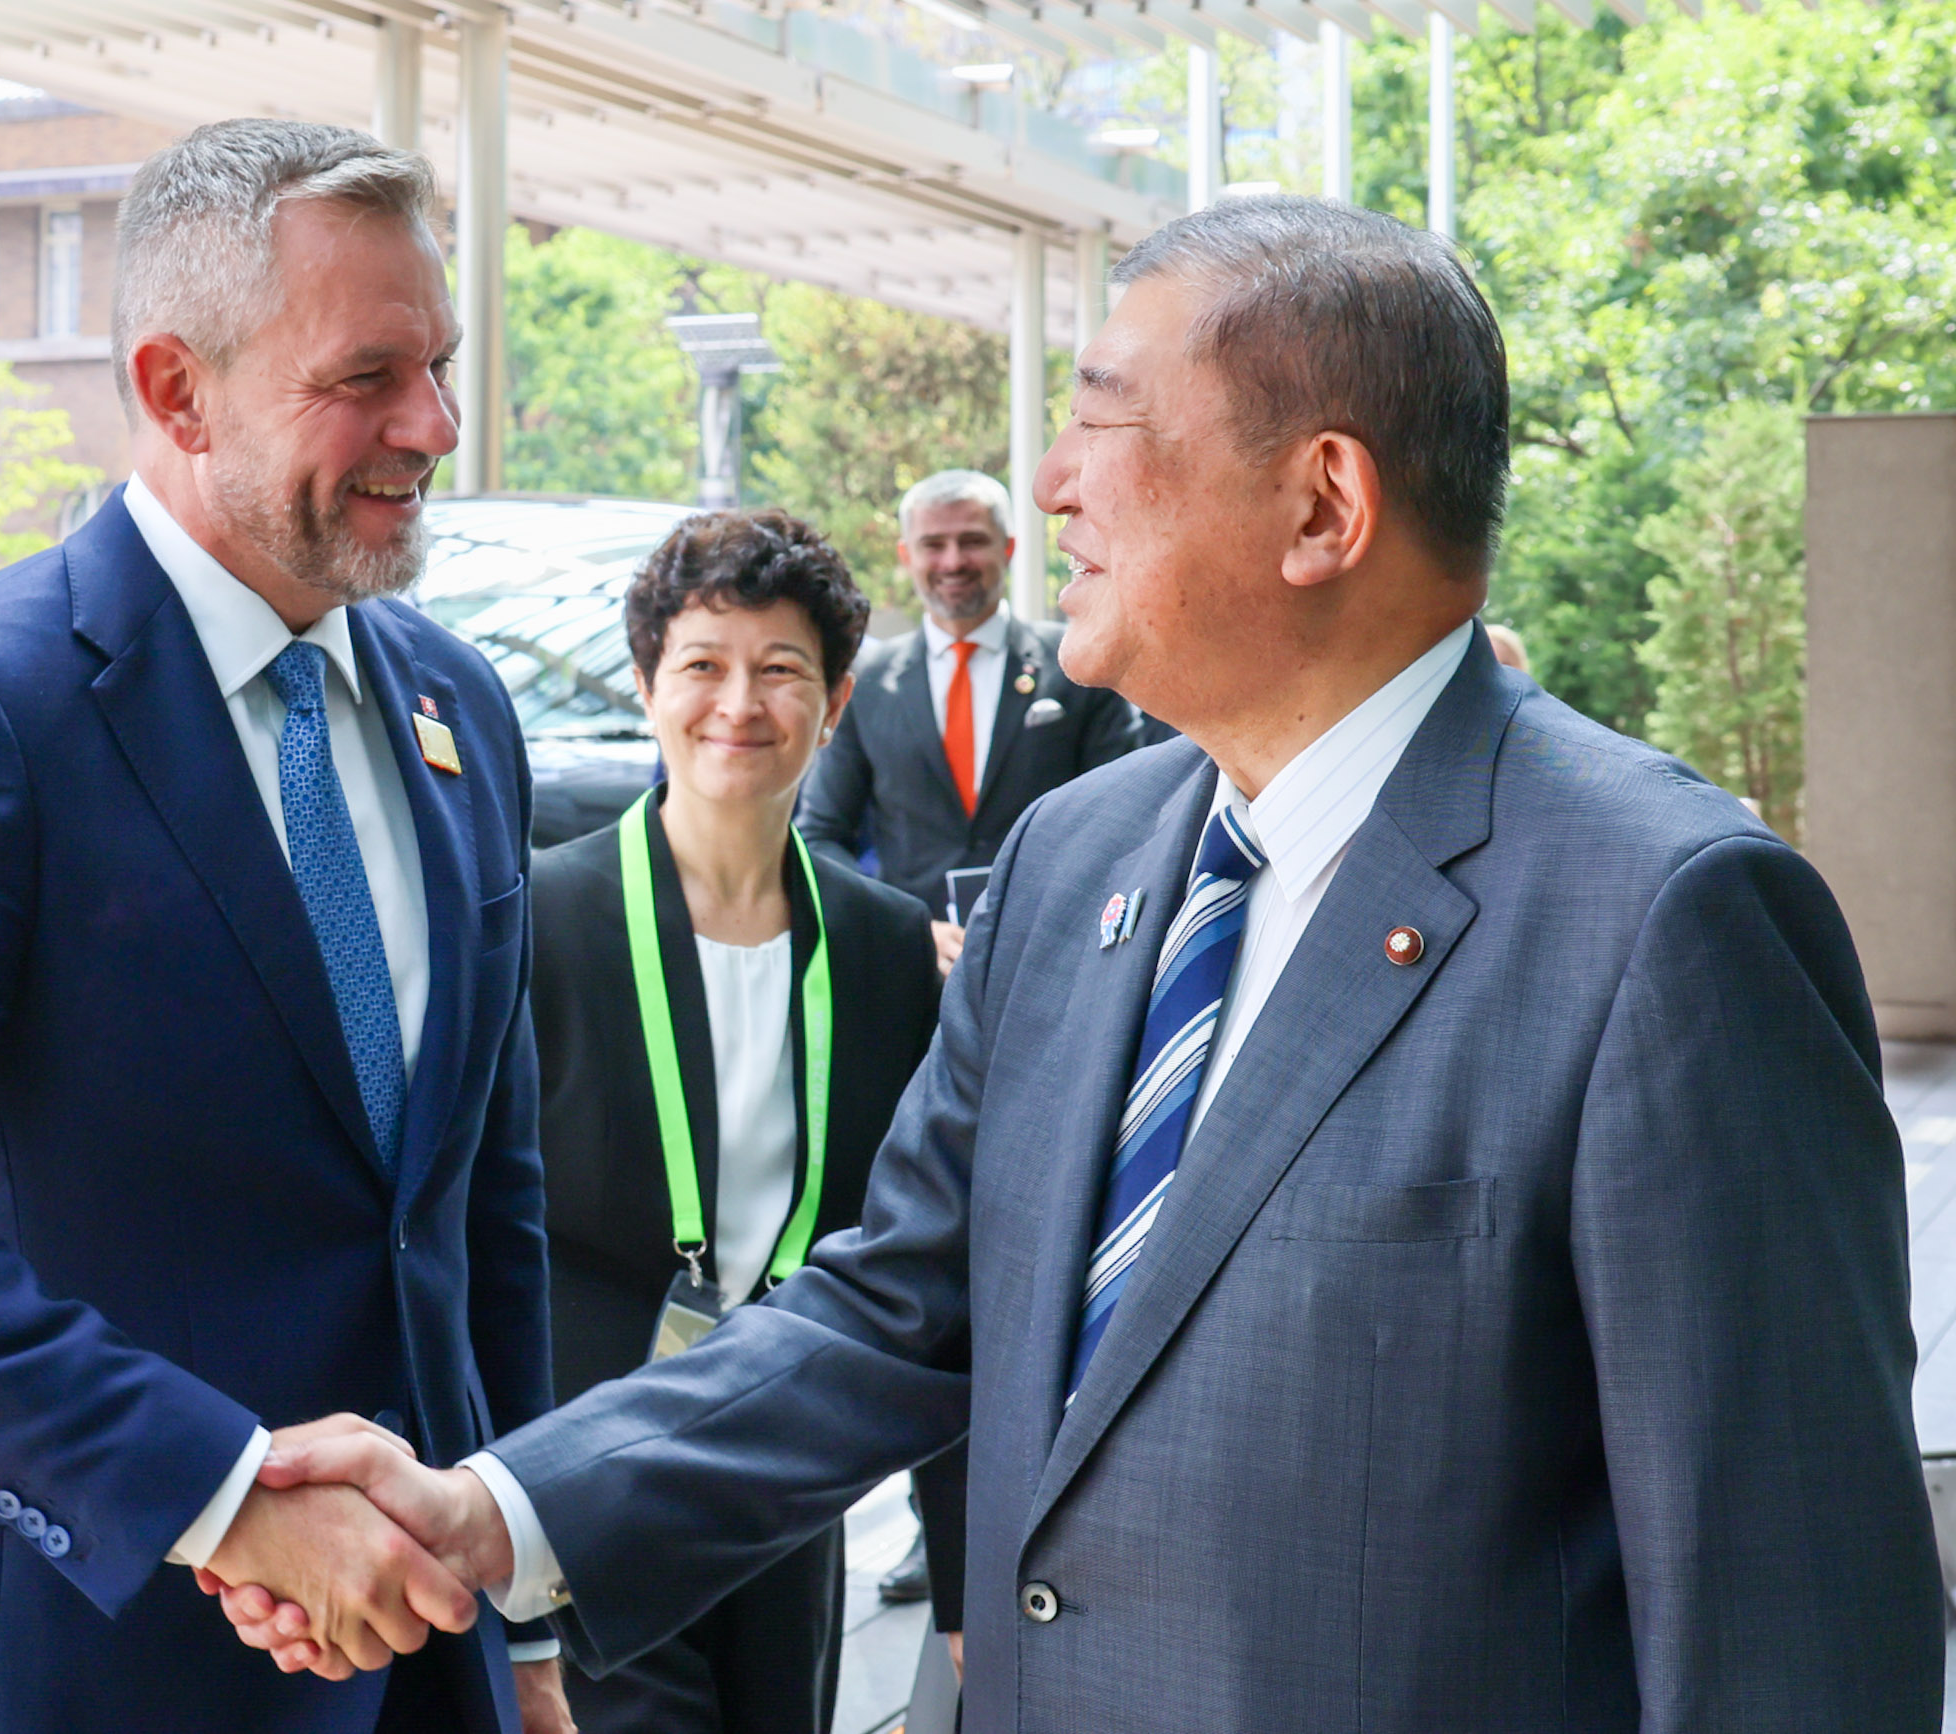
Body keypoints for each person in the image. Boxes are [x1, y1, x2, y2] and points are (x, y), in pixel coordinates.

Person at [223, 197, 1945, 1729]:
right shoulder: (1081, 857)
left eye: (1104, 420)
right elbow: (901, 1307)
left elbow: (1785, 1622)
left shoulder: (1667, 920)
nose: (1046, 482)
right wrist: (501, 1510)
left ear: (1322, 500)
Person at [0, 120, 566, 1734]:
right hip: (75, 1667)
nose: (433, 424)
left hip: (428, 1663)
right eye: (368, 374)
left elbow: (474, 1201)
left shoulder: (461, 706)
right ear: (177, 390)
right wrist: (221, 1488)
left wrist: (523, 1619)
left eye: (439, 365)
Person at [530, 508, 955, 1734]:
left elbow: (924, 1257)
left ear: (830, 708)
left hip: (777, 1465)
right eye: (702, 666)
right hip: (582, 1467)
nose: (738, 704)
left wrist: (959, 1568)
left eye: (781, 672)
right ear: (646, 687)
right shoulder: (542, 922)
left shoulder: (881, 947)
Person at [797, 469, 1144, 977]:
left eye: (972, 541)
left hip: (1055, 961)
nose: (953, 561)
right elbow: (821, 836)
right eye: (933, 544)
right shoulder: (864, 684)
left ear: (1007, 547)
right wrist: (902, 925)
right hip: (910, 969)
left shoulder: (1077, 666)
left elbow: (1129, 821)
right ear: (906, 556)